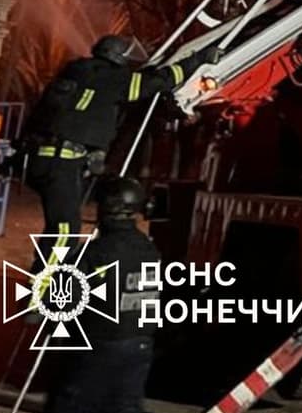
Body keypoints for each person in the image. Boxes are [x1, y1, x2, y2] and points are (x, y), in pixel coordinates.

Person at [23, 35, 199, 256]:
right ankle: (45, 277)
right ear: (116, 57)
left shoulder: (81, 72)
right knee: (65, 229)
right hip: (62, 162)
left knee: (63, 224)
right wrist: (196, 60)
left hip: (50, 159)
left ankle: (52, 272)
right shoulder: (109, 78)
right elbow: (156, 83)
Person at [39, 176, 163, 413]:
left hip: (99, 345)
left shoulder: (96, 252)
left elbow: (63, 302)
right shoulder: (149, 249)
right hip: (140, 345)